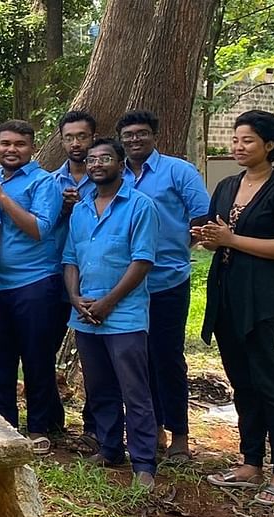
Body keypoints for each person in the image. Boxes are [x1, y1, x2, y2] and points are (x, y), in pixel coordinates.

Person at [197, 110, 274, 507]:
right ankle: (250, 462)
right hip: (228, 297)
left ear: (270, 145)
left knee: (270, 383)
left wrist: (231, 239)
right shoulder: (226, 185)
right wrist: (209, 238)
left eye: (248, 141)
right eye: (236, 140)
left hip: (267, 301)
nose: (238, 147)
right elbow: (217, 238)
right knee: (241, 382)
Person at [63, 138, 160, 489]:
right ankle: (109, 448)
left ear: (121, 164)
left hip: (124, 316)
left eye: (105, 158)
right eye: (91, 159)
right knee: (99, 388)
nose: (97, 164)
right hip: (85, 315)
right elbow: (71, 258)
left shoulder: (140, 206)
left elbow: (143, 260)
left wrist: (108, 302)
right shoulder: (81, 208)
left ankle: (145, 462)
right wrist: (75, 297)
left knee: (134, 390)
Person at [118, 109, 210, 462]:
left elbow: (201, 214)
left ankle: (180, 436)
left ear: (154, 135)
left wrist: (176, 248)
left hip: (167, 281)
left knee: (168, 358)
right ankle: (150, 429)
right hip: (126, 287)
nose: (134, 140)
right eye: (128, 136)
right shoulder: (116, 173)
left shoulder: (178, 171)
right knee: (138, 358)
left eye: (141, 133)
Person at [0, 119, 67, 455]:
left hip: (35, 283)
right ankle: (6, 425)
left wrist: (2, 197)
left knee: (36, 358)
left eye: (19, 144)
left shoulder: (44, 183)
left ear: (32, 148)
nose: (11, 150)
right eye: (5, 143)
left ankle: (40, 427)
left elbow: (40, 229)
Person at [49, 111, 99, 450]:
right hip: (56, 275)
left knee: (96, 356)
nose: (76, 143)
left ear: (93, 138)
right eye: (70, 137)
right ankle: (51, 421)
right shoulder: (50, 182)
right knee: (44, 350)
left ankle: (94, 428)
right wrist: (63, 209)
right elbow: (41, 227)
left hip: (98, 279)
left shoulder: (108, 179)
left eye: (82, 136)